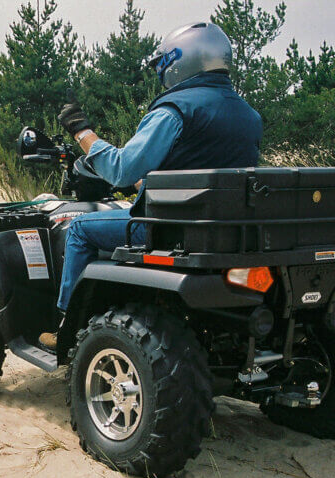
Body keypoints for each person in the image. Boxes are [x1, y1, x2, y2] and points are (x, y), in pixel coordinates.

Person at [39, 21, 263, 350]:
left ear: (179, 61)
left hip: (169, 229)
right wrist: (147, 182)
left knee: (79, 229)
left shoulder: (175, 110)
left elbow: (120, 170)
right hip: (225, 232)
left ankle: (66, 325)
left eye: (163, 64)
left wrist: (81, 130)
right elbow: (203, 168)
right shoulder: (249, 115)